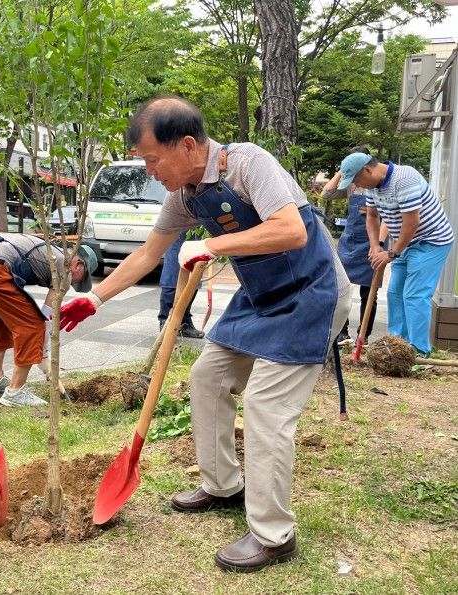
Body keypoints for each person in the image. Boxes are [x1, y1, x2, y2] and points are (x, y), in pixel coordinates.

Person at [59, 96, 351, 572]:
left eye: (153, 159)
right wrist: (95, 298)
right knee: (207, 377)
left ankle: (274, 536)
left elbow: (291, 230)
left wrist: (214, 244)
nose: (150, 172)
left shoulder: (249, 164)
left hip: (312, 294)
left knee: (267, 407)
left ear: (188, 144)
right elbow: (148, 254)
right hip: (261, 296)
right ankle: (222, 485)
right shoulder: (185, 195)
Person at [0, 233, 97, 407]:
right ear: (78, 265)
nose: (73, 284)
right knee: (32, 326)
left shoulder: (54, 252)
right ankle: (15, 392)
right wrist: (43, 353)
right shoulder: (65, 268)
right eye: (83, 278)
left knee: (0, 321)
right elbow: (47, 315)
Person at [337, 152, 454, 356]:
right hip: (405, 242)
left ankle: (418, 351)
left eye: (356, 180)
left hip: (431, 241)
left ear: (367, 170)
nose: (357, 185)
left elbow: (412, 222)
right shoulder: (374, 187)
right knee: (394, 293)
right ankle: (396, 346)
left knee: (414, 294)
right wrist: (375, 246)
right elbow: (372, 216)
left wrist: (391, 253)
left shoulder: (404, 179)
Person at [322, 146, 388, 346]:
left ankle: (363, 335)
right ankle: (342, 333)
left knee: (369, 291)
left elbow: (388, 215)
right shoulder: (350, 184)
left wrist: (378, 243)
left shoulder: (378, 182)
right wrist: (343, 170)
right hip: (350, 239)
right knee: (341, 286)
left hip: (372, 240)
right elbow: (326, 194)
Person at [158, 231, 205, 338]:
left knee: (194, 277)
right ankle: (165, 321)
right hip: (179, 230)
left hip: (199, 234)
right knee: (172, 275)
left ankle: (184, 323)